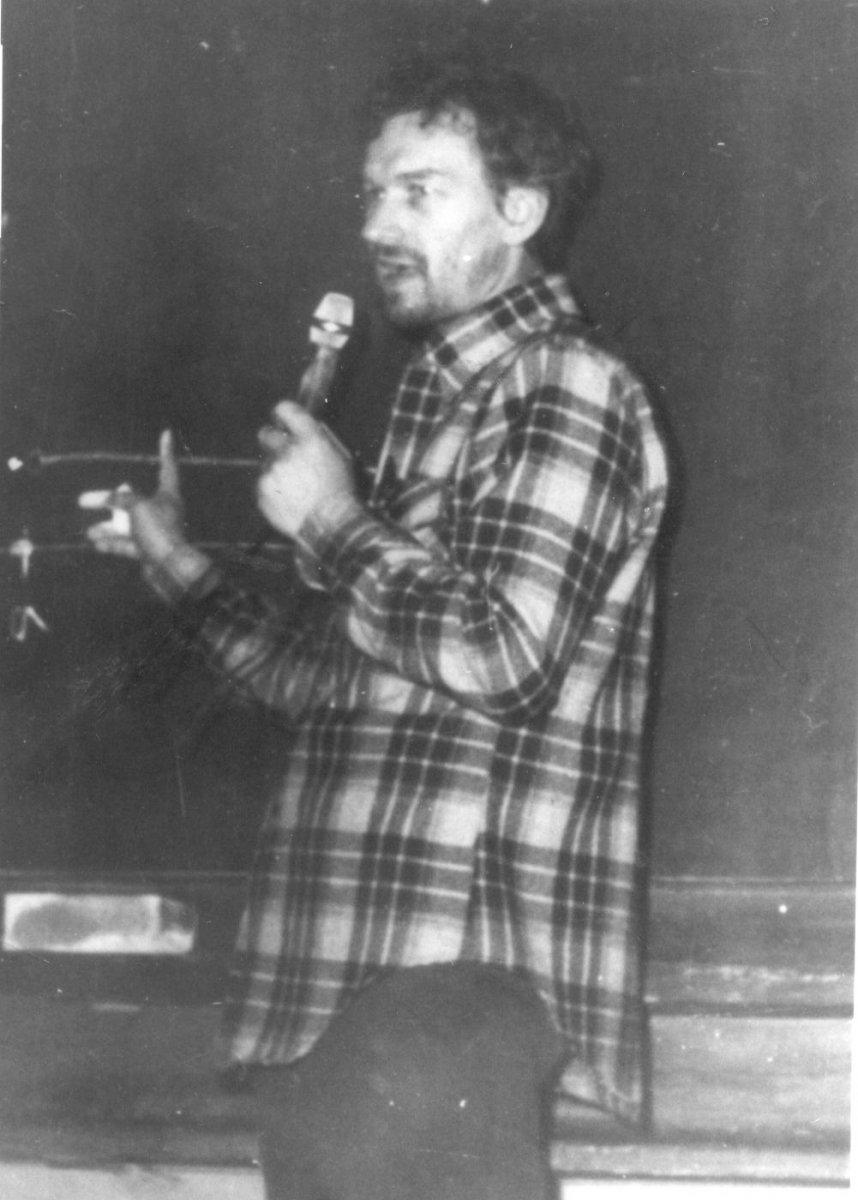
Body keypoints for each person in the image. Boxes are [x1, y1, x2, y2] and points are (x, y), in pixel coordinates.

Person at [88, 53, 668, 1200]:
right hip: (354, 986)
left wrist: (332, 519)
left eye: (419, 191)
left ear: (520, 212)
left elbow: (502, 654)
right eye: (371, 195)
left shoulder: (563, 384)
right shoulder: (442, 412)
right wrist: (178, 567)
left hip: (445, 990)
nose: (377, 225)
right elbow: (325, 687)